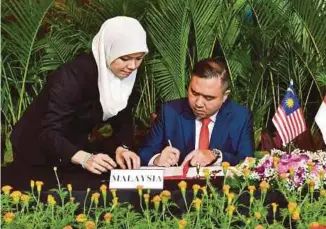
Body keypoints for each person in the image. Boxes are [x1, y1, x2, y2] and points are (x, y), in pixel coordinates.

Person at [10, 16, 149, 174]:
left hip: (74, 150)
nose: (132, 66)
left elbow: (123, 118)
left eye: (139, 58)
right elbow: (49, 132)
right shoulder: (71, 77)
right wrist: (84, 158)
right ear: (108, 50)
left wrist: (122, 148)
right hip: (35, 148)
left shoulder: (125, 74)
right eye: (125, 58)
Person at [139, 57, 254, 167]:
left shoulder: (240, 116)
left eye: (208, 98)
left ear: (225, 96)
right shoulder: (170, 112)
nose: (198, 103)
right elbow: (144, 152)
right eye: (194, 93)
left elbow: (247, 161)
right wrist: (157, 159)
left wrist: (216, 156)